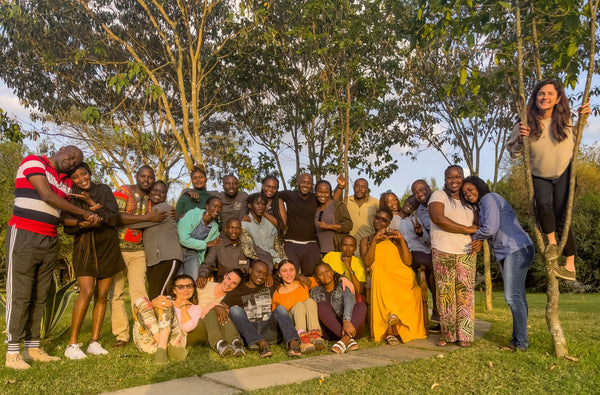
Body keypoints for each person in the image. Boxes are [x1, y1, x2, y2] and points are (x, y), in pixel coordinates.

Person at [4, 146, 100, 369]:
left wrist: (82, 219)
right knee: (20, 293)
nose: (73, 162)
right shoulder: (34, 162)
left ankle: (33, 348)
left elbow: (60, 214)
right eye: (72, 156)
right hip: (24, 234)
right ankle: (12, 353)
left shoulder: (66, 182)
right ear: (61, 150)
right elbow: (47, 196)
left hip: (49, 238)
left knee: (40, 295)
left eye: (77, 162)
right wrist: (84, 213)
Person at [507, 79, 591, 281]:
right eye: (541, 94)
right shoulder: (525, 123)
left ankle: (570, 266)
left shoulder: (564, 120)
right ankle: (552, 244)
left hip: (564, 171)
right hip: (539, 174)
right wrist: (521, 138)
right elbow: (513, 152)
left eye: (550, 94)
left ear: (558, 98)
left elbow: (576, 136)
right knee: (543, 206)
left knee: (564, 215)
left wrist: (583, 118)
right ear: (535, 98)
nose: (545, 97)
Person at [462, 176, 534, 351]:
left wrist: (476, 238)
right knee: (519, 297)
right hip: (513, 250)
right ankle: (518, 340)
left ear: (480, 187)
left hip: (515, 248)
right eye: (465, 193)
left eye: (470, 189)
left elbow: (491, 227)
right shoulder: (483, 204)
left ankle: (521, 343)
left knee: (512, 297)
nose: (468, 194)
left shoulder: (489, 198)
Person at [62, 163, 126, 360]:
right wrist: (84, 222)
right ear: (71, 181)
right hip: (85, 247)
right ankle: (72, 344)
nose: (82, 178)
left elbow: (113, 217)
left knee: (102, 294)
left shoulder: (104, 190)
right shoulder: (70, 196)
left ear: (90, 173)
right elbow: (66, 224)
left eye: (84, 174)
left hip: (107, 246)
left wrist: (90, 201)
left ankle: (94, 342)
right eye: (76, 177)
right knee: (87, 290)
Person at [110, 165, 168, 347]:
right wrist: (148, 219)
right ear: (137, 176)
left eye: (150, 177)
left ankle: (142, 330)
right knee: (117, 293)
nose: (147, 180)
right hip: (118, 248)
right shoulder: (123, 192)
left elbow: (160, 216)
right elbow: (116, 216)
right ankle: (121, 334)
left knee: (139, 293)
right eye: (143, 176)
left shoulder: (152, 200)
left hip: (139, 250)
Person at [360, 208, 427, 345]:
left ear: (389, 223)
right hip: (381, 271)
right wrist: (375, 241)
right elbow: (367, 262)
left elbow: (408, 262)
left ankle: (398, 318)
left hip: (400, 273)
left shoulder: (395, 239)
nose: (379, 221)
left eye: (384, 220)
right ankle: (389, 329)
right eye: (377, 218)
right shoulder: (366, 240)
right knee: (382, 278)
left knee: (414, 287)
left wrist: (401, 239)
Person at [428, 165, 478, 347]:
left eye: (458, 177)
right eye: (450, 177)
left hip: (466, 252)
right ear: (445, 178)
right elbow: (438, 218)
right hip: (443, 249)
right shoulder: (439, 196)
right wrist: (466, 229)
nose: (454, 180)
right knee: (446, 294)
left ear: (463, 178)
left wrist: (478, 238)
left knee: (465, 294)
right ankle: (448, 334)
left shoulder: (470, 200)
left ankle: (464, 335)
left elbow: (479, 225)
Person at [222, 261, 302, 358]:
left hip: (269, 330)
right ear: (250, 270)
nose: (261, 276)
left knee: (280, 309)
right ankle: (261, 344)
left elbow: (287, 277)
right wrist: (219, 307)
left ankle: (293, 343)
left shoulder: (270, 285)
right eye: (258, 272)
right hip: (250, 331)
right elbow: (223, 305)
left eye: (264, 274)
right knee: (234, 310)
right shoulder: (238, 291)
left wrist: (300, 277)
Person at [128, 181, 183, 300]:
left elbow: (138, 224)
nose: (158, 193)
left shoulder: (163, 208)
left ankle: (158, 319)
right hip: (154, 261)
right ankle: (167, 318)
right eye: (155, 190)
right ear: (150, 192)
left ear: (166, 195)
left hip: (167, 258)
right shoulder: (150, 210)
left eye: (162, 191)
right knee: (161, 295)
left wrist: (121, 219)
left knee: (157, 296)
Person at [398, 195, 440, 328]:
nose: (411, 205)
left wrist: (420, 232)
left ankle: (437, 310)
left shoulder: (416, 219)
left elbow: (427, 240)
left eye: (414, 204)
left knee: (435, 274)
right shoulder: (394, 218)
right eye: (409, 201)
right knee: (433, 269)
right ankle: (436, 310)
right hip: (409, 253)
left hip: (423, 251)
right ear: (404, 201)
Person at [310, 262, 367, 354]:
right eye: (320, 274)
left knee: (361, 306)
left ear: (332, 272)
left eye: (327, 271)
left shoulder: (344, 285)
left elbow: (350, 302)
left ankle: (345, 339)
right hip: (331, 332)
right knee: (321, 306)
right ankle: (348, 339)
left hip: (353, 327)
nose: (325, 275)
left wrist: (346, 321)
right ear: (317, 279)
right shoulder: (314, 292)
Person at [186, 270, 245, 357]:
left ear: (237, 286)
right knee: (214, 309)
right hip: (193, 328)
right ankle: (220, 344)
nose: (228, 284)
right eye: (228, 279)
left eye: (234, 283)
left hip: (210, 332)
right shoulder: (204, 286)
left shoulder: (230, 299)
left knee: (219, 311)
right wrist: (214, 304)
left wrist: (216, 306)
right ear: (225, 275)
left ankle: (236, 343)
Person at [271, 260, 325, 354]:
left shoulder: (303, 283)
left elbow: (324, 277)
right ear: (279, 274)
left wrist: (343, 278)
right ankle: (301, 340)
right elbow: (277, 317)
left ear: (296, 272)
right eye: (284, 271)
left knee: (309, 301)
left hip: (308, 323)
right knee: (299, 305)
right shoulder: (277, 293)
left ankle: (314, 334)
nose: (289, 273)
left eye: (291, 270)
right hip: (292, 328)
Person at [279, 173, 320, 275]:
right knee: (291, 274)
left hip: (311, 243)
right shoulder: (289, 195)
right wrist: (284, 219)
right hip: (291, 243)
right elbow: (272, 195)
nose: (305, 185)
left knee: (310, 274)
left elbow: (331, 201)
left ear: (312, 185)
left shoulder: (315, 198)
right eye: (303, 182)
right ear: (297, 183)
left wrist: (340, 187)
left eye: (308, 183)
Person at [196, 218, 257, 287]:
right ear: (226, 230)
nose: (234, 231)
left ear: (240, 231)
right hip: (223, 284)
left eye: (237, 228)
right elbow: (208, 263)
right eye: (231, 228)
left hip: (243, 284)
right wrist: (202, 275)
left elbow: (258, 260)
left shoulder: (246, 244)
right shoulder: (218, 245)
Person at [131, 292, 187, 365]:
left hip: (174, 340)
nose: (185, 289)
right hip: (151, 339)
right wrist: (152, 305)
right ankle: (164, 346)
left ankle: (162, 348)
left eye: (189, 286)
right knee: (141, 301)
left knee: (166, 301)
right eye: (181, 287)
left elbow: (189, 326)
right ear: (174, 289)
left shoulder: (198, 305)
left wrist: (184, 306)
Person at [177, 196, 222, 280]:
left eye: (220, 208)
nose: (217, 209)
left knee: (192, 280)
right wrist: (206, 244)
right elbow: (182, 239)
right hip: (178, 250)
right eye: (214, 206)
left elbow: (215, 244)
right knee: (177, 280)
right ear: (207, 206)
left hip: (193, 253)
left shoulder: (215, 228)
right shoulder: (193, 214)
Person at [240, 192, 287, 270]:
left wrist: (284, 263)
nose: (260, 206)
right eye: (257, 203)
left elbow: (279, 249)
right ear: (250, 205)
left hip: (276, 263)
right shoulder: (244, 225)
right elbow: (249, 252)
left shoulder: (270, 225)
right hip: (257, 263)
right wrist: (271, 263)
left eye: (263, 204)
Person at [334, 176, 379, 255]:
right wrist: (340, 186)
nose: (359, 189)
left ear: (367, 189)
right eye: (357, 186)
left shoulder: (375, 202)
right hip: (349, 245)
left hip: (367, 244)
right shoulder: (346, 200)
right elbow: (333, 203)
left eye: (363, 187)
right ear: (353, 187)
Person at [315, 180, 353, 255]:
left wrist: (328, 226)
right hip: (320, 253)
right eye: (320, 192)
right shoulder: (315, 208)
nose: (323, 195)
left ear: (330, 193)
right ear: (316, 193)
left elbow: (348, 225)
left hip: (336, 251)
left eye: (326, 192)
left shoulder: (337, 205)